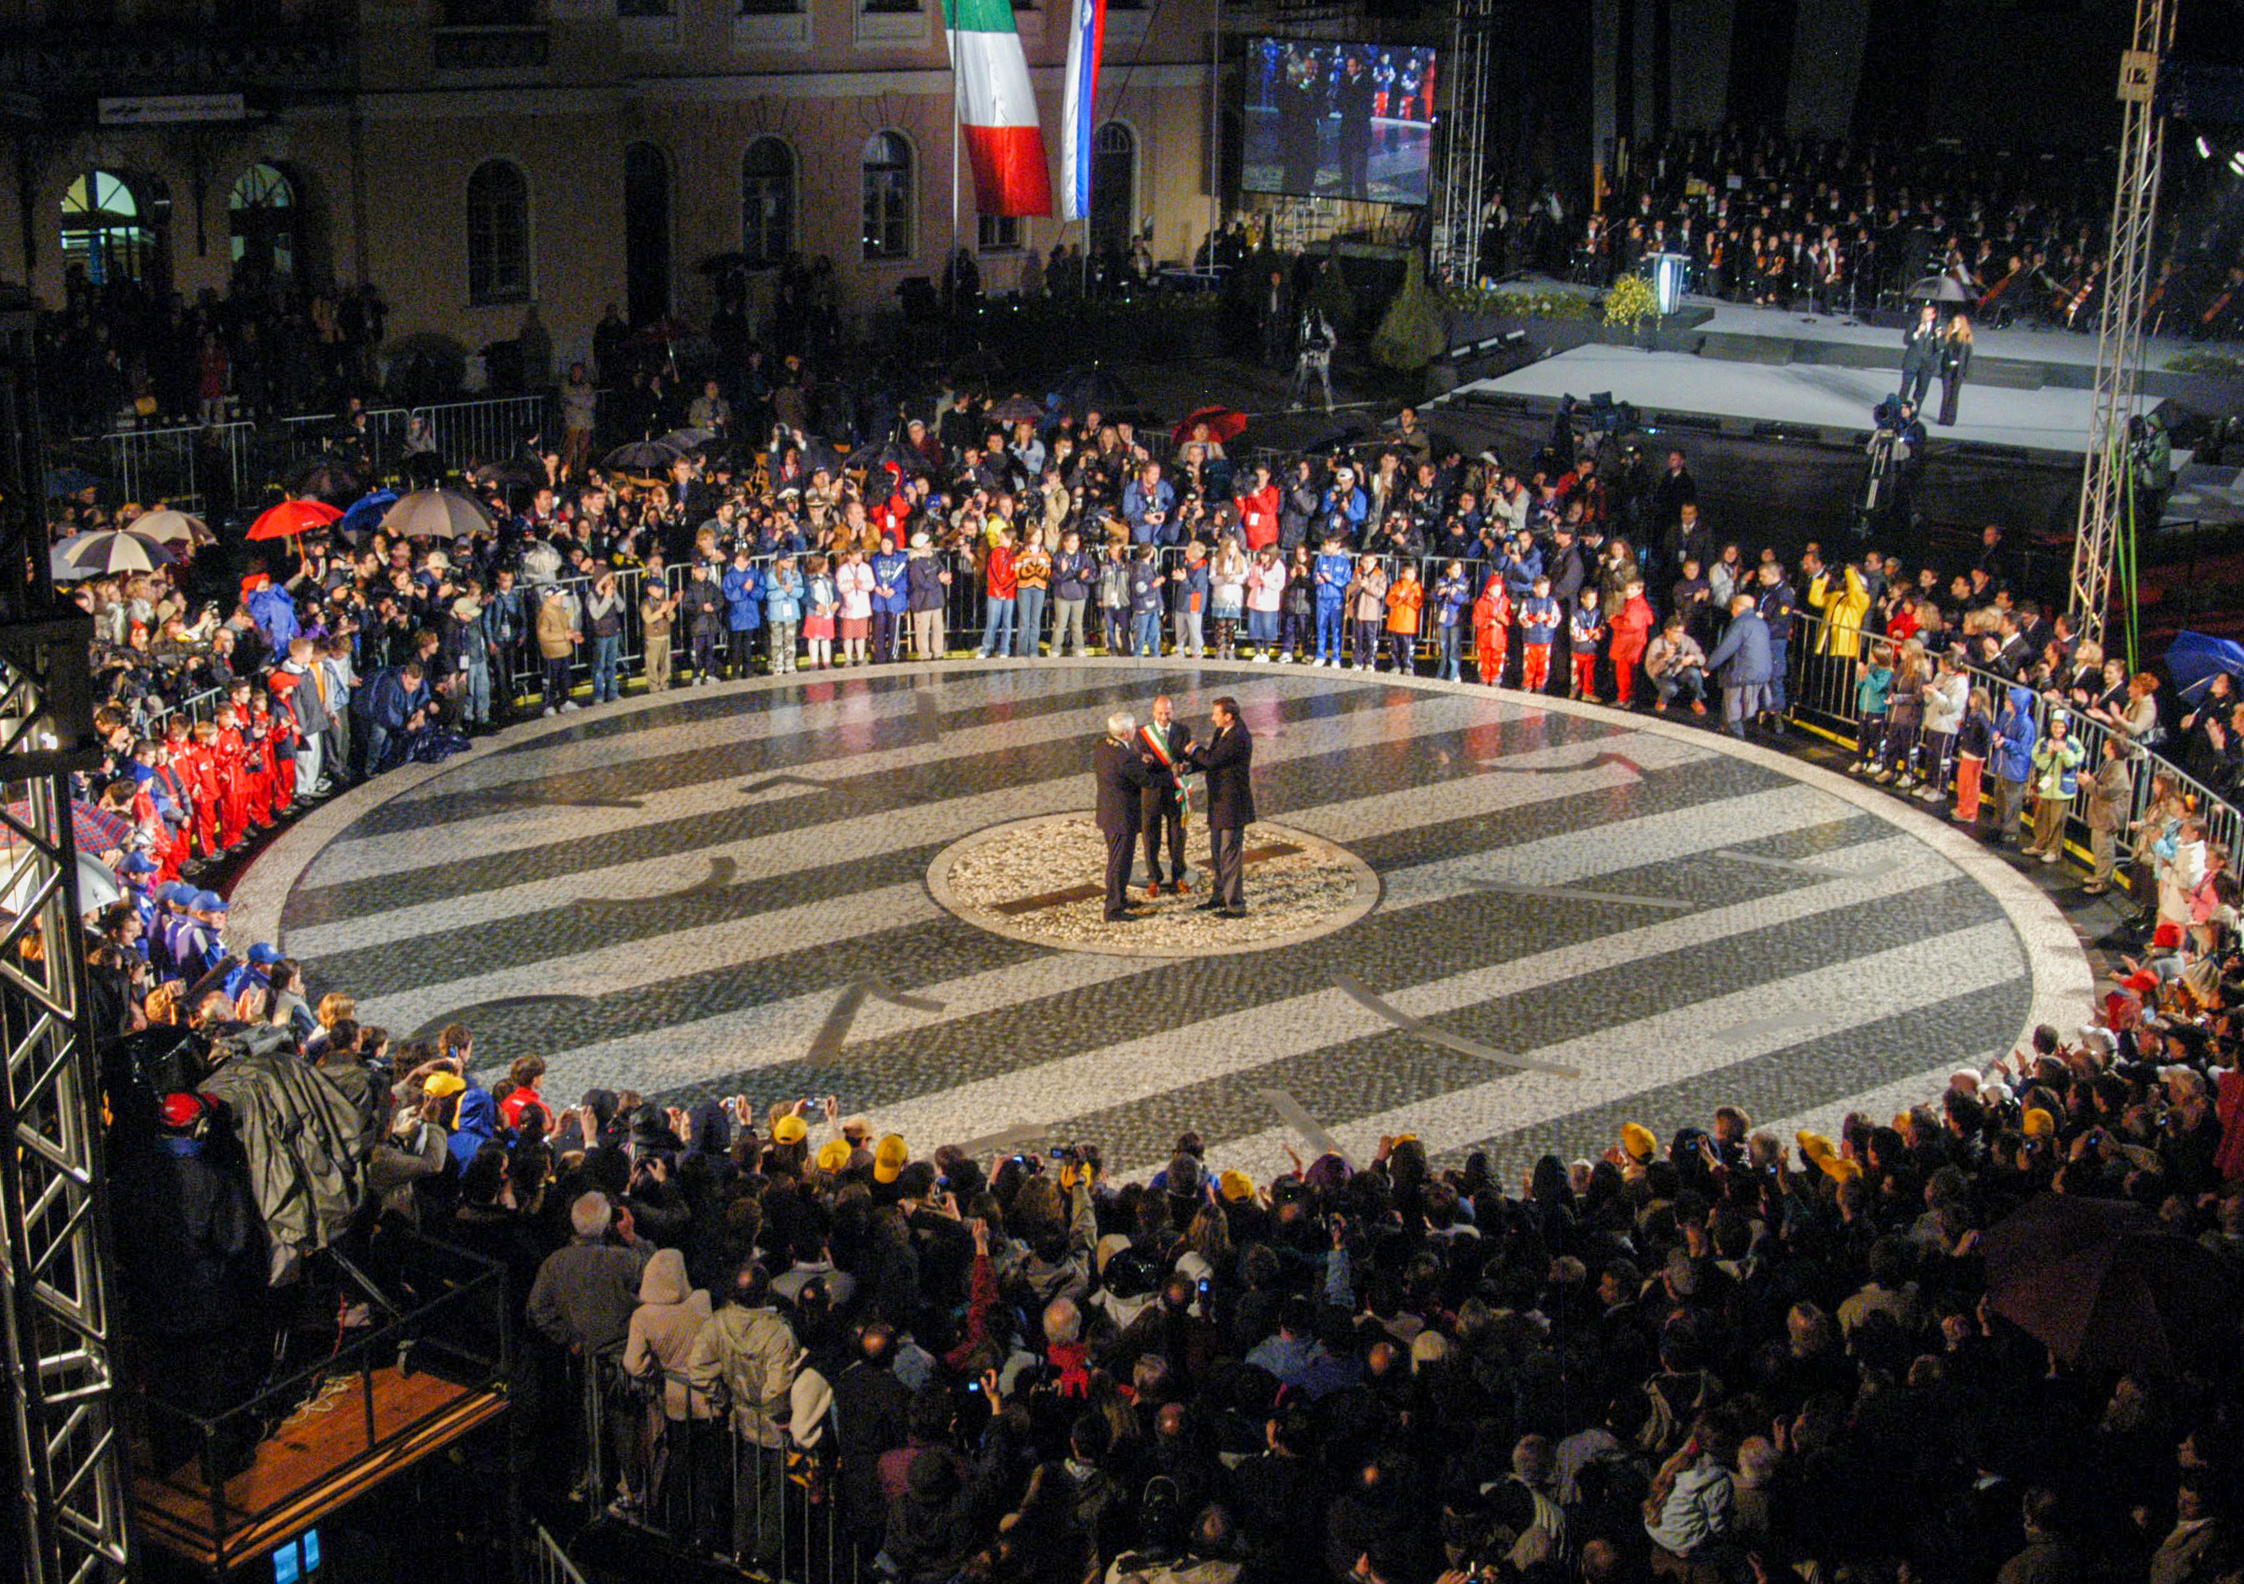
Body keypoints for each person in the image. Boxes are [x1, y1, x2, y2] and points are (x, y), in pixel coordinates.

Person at [1186, 696, 1255, 918]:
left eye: (1216, 714)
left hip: (1232, 805)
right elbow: (1212, 760)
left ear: (1228, 716)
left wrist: (1195, 749)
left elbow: (1213, 760)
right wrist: (1189, 767)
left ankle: (1235, 905)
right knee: (1217, 852)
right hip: (1218, 804)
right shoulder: (1222, 731)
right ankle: (1219, 896)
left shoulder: (1238, 737)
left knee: (1229, 855)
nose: (1212, 718)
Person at [1095, 712, 1156, 922]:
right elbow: (1146, 781)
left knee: (1119, 860)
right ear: (1126, 732)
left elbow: (1122, 766)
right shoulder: (1125, 757)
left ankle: (1120, 898)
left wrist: (1139, 761)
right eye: (1134, 727)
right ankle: (1113, 908)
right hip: (1122, 818)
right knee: (1119, 863)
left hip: (1109, 814)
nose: (1136, 730)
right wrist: (1173, 774)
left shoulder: (1103, 746)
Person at [1139, 695, 1194, 900]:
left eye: (1168, 712)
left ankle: (1178, 876)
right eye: (1160, 713)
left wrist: (1186, 766)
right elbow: (1138, 763)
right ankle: (1154, 878)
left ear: (1173, 711)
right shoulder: (1143, 734)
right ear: (1153, 712)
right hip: (1152, 792)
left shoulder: (1182, 731)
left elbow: (1188, 759)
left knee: (1178, 835)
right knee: (1150, 836)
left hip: (1175, 791)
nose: (1164, 717)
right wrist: (1144, 762)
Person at [1701, 592, 1772, 739]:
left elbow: (1725, 648)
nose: (1731, 611)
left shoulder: (1740, 623)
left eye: (1732, 607)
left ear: (1738, 607)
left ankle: (1736, 738)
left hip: (1740, 672)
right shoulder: (1761, 623)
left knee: (1733, 710)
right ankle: (1725, 729)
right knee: (1744, 710)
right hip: (1761, 673)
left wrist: (1708, 666)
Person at [2024, 709, 2086, 863]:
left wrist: (2064, 751)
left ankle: (2053, 851)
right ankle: (2039, 845)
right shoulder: (2043, 742)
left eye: (2061, 727)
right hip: (2046, 788)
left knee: (2057, 822)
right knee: (2041, 818)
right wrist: (2049, 754)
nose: (2058, 730)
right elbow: (2038, 762)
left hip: (2062, 790)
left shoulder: (2073, 743)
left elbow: (2073, 762)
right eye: (2055, 726)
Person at [1645, 614, 1708, 714]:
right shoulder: (1657, 644)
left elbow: (1702, 657)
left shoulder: (1686, 640)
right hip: (1662, 676)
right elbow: (1651, 671)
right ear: (1667, 631)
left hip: (1679, 673)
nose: (1680, 635)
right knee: (1671, 689)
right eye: (1676, 632)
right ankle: (1662, 700)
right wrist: (1664, 659)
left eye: (1682, 632)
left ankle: (1696, 700)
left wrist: (1693, 658)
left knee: (1694, 673)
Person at [1900, 302, 1942, 409]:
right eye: (1923, 314)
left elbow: (1939, 347)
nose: (1925, 316)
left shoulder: (1937, 328)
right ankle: (1899, 410)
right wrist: (1917, 333)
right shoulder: (1914, 324)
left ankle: (1914, 411)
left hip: (1926, 365)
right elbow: (1906, 340)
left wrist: (1938, 337)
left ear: (1933, 316)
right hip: (1912, 362)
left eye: (1928, 314)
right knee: (1905, 388)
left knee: (1921, 391)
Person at [1938, 312, 1975, 426]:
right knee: (1946, 394)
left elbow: (1968, 357)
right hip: (1947, 368)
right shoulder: (1948, 335)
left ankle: (1951, 419)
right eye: (1954, 322)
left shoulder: (1966, 337)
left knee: (1954, 394)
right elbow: (1940, 347)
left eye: (1958, 322)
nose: (1956, 324)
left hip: (1958, 369)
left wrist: (1966, 372)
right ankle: (1943, 418)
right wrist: (1948, 335)